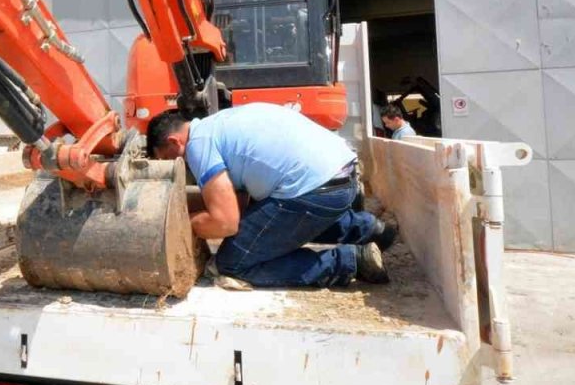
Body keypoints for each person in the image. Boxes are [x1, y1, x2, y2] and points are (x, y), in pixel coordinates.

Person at [146, 103, 397, 288]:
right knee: (281, 221)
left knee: (233, 263)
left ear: (174, 142)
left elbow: (227, 222)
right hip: (342, 180)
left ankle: (352, 261)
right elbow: (245, 209)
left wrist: (187, 225)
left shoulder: (197, 146)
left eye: (168, 160)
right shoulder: (217, 124)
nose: (177, 166)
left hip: (317, 192)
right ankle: (372, 230)